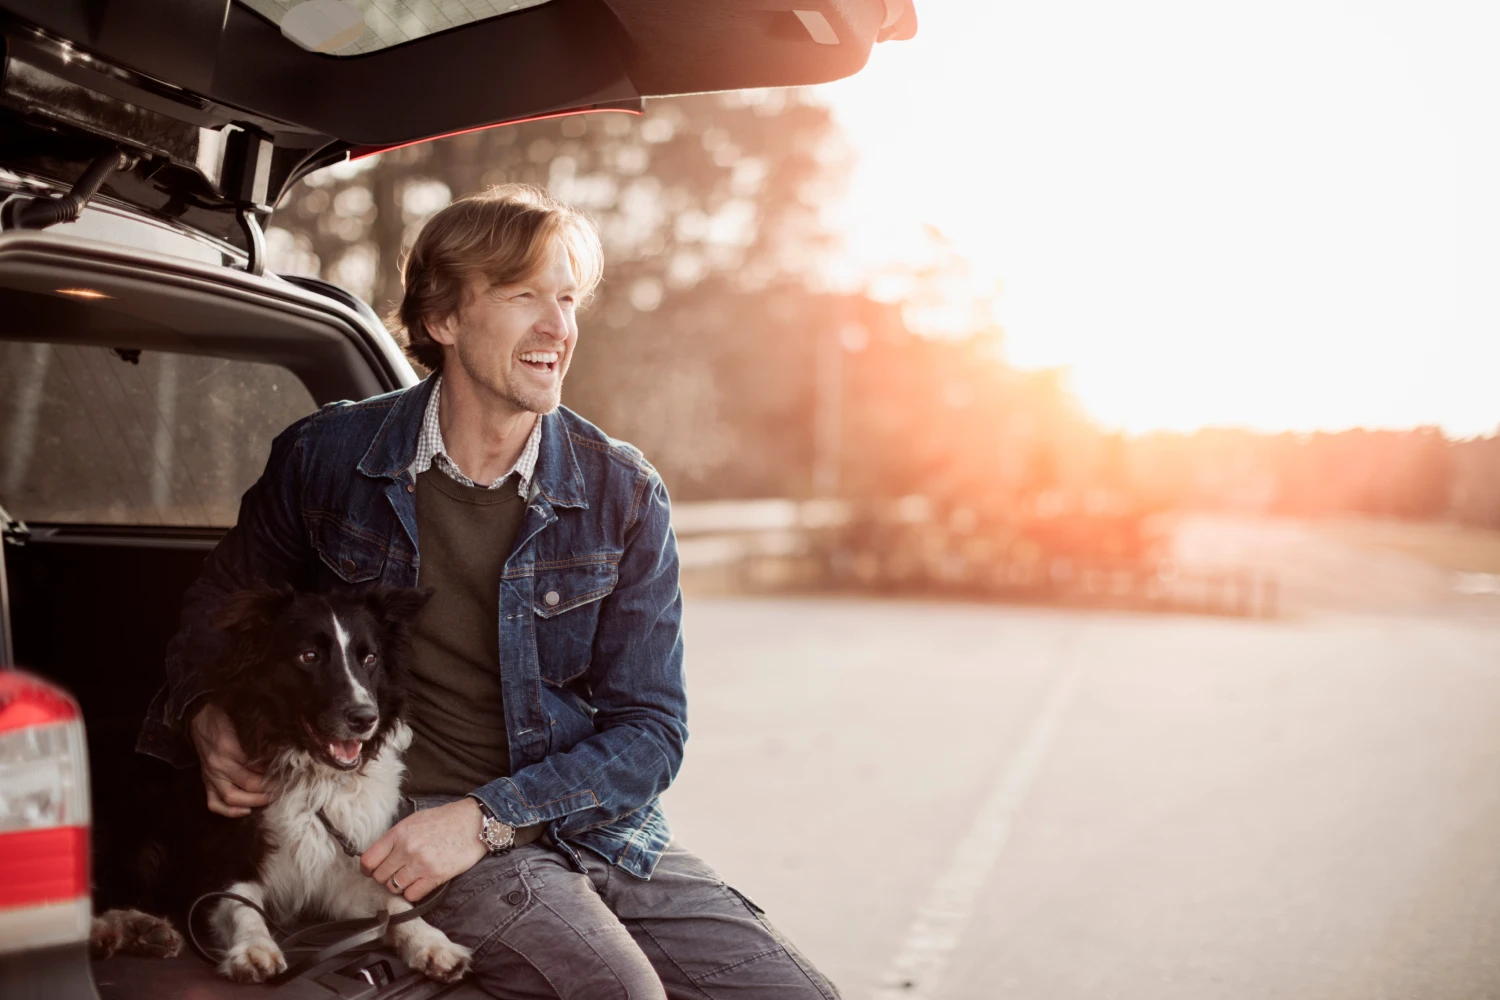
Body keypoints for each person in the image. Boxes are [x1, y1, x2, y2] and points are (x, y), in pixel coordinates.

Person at [137, 184, 839, 999]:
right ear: (444, 320)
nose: (558, 327)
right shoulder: (326, 458)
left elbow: (653, 730)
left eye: (567, 299)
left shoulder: (622, 491)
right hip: (413, 820)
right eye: (524, 296)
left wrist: (493, 816)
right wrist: (201, 713)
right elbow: (215, 611)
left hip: (582, 825)